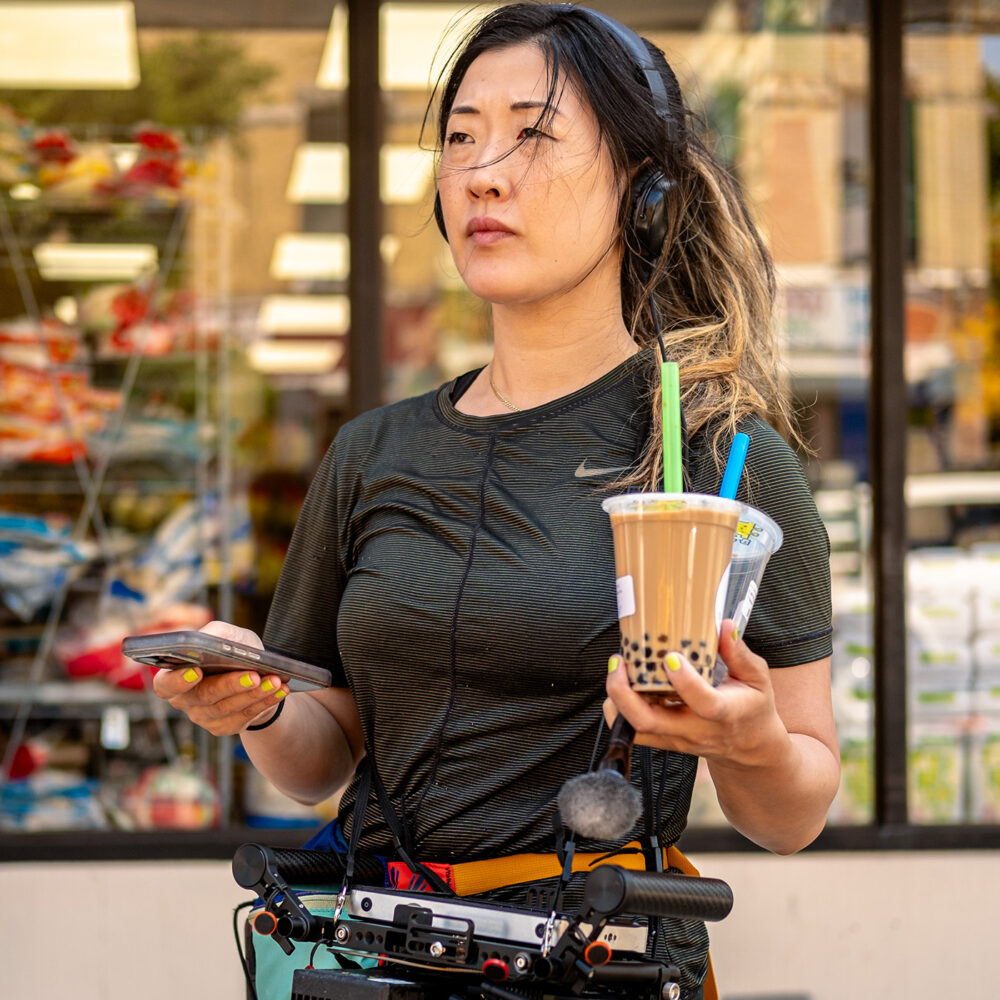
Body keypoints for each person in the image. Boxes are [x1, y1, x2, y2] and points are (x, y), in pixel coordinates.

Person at [153, 5, 840, 998]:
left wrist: (750, 742)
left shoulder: (710, 454)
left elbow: (794, 813)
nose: (483, 170)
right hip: (375, 962)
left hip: (596, 967)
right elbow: (319, 760)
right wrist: (252, 704)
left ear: (641, 194)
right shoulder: (370, 454)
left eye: (534, 133)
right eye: (462, 137)